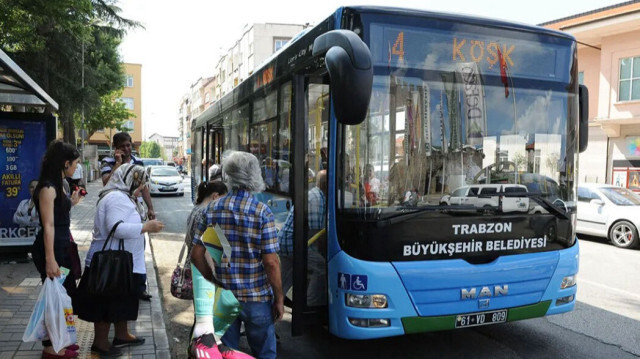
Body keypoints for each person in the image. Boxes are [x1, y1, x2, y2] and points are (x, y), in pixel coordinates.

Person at [191, 151, 283, 359]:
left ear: (227, 175)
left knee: (226, 353)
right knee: (265, 353)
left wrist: (213, 281)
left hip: (225, 297)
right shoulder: (262, 212)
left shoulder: (211, 210)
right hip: (257, 298)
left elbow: (196, 255)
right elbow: (271, 262)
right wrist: (279, 298)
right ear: (255, 175)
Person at [74, 164, 164, 357]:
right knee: (106, 304)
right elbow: (116, 228)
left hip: (121, 262)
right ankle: (100, 344)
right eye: (140, 185)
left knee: (119, 301)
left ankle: (122, 335)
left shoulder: (121, 196)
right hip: (112, 262)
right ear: (129, 180)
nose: (141, 190)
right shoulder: (116, 198)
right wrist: (146, 226)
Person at [185, 180, 251, 359]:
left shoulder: (196, 210)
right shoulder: (208, 214)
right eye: (223, 198)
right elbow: (209, 251)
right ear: (215, 197)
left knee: (202, 320)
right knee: (209, 324)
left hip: (197, 270)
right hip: (206, 274)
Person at [31, 140, 82, 359]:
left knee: (64, 295)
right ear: (65, 163)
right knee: (53, 299)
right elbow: (48, 225)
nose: (76, 168)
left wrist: (72, 202)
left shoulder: (59, 184)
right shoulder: (48, 188)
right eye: (75, 164)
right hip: (51, 250)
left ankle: (62, 339)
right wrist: (50, 260)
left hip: (62, 246)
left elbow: (59, 216)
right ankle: (51, 348)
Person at [100, 132, 155, 300]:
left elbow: (144, 186)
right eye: (122, 146)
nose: (126, 148)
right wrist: (118, 163)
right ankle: (121, 282)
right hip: (118, 206)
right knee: (121, 245)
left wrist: (150, 208)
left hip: (135, 208)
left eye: (128, 145)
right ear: (116, 148)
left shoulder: (138, 162)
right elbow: (106, 182)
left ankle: (139, 286)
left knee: (139, 245)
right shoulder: (108, 162)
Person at [278, 170, 327, 306]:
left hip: (285, 242)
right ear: (326, 185)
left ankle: (272, 308)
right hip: (294, 244)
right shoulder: (317, 199)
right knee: (322, 268)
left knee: (284, 281)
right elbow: (316, 235)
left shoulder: (315, 195)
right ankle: (310, 303)